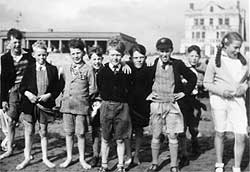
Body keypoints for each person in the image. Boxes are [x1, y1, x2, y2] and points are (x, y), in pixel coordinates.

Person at [146, 38, 197, 172]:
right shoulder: (152, 63)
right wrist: (148, 94)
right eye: (161, 51)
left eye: (167, 51)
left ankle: (174, 165)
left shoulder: (178, 64)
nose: (164, 54)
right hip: (157, 104)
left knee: (172, 135)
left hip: (172, 104)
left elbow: (193, 78)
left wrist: (184, 93)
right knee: (156, 135)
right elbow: (142, 80)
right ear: (157, 51)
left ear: (171, 51)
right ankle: (155, 163)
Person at [204, 32, 249, 172]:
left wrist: (244, 87)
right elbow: (207, 83)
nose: (237, 51)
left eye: (239, 48)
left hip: (238, 102)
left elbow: (248, 80)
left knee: (241, 135)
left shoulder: (244, 61)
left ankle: (237, 167)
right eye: (235, 47)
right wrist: (221, 92)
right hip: (220, 101)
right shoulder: (214, 60)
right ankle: (219, 164)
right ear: (226, 44)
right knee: (220, 133)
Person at [16, 40, 60, 170]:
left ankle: (45, 157)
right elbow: (22, 87)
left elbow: (57, 88)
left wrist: (49, 95)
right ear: (34, 55)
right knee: (29, 131)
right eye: (39, 55)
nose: (42, 57)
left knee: (43, 132)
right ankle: (27, 157)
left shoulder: (52, 69)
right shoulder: (29, 69)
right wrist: (28, 94)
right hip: (29, 106)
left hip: (44, 106)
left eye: (44, 55)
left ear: (47, 55)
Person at [59, 38, 96, 170]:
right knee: (69, 133)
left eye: (78, 53)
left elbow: (92, 89)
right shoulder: (66, 68)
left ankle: (82, 158)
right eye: (73, 53)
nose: (76, 56)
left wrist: (84, 100)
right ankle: (69, 157)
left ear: (83, 52)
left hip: (81, 106)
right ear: (70, 54)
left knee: (80, 134)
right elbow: (63, 83)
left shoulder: (88, 69)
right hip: (67, 105)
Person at [96, 38, 132, 172]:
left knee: (120, 139)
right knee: (105, 138)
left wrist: (125, 64)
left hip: (123, 106)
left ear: (122, 56)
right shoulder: (102, 72)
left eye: (118, 55)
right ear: (107, 55)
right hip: (106, 106)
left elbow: (130, 88)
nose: (115, 58)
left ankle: (121, 165)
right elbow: (100, 87)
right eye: (112, 55)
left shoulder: (127, 71)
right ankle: (104, 165)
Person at [0, 28, 35, 160]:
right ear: (9, 42)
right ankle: (9, 148)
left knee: (28, 122)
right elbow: (3, 80)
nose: (17, 45)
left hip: (27, 91)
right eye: (14, 42)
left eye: (19, 42)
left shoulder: (29, 55)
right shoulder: (5, 58)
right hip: (13, 91)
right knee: (10, 121)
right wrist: (3, 99)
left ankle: (28, 151)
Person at [178, 45, 207, 166]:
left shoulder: (201, 70)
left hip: (195, 100)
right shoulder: (182, 68)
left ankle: (195, 143)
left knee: (194, 127)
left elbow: (206, 85)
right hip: (184, 100)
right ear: (187, 56)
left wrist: (202, 85)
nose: (194, 58)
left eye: (196, 56)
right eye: (192, 56)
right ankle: (183, 153)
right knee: (182, 127)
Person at [124, 44, 153, 166]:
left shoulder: (148, 69)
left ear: (145, 57)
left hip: (143, 103)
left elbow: (155, 83)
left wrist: (152, 94)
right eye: (136, 58)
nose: (139, 60)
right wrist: (123, 63)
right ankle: (129, 155)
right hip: (128, 103)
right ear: (131, 58)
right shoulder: (127, 67)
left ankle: (136, 155)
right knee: (127, 131)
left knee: (139, 130)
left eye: (141, 57)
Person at [88, 45, 104, 167]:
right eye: (94, 59)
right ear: (90, 60)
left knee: (105, 130)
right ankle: (95, 154)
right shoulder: (88, 71)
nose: (97, 62)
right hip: (91, 104)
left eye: (99, 59)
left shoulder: (105, 70)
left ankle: (104, 155)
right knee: (94, 129)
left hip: (103, 103)